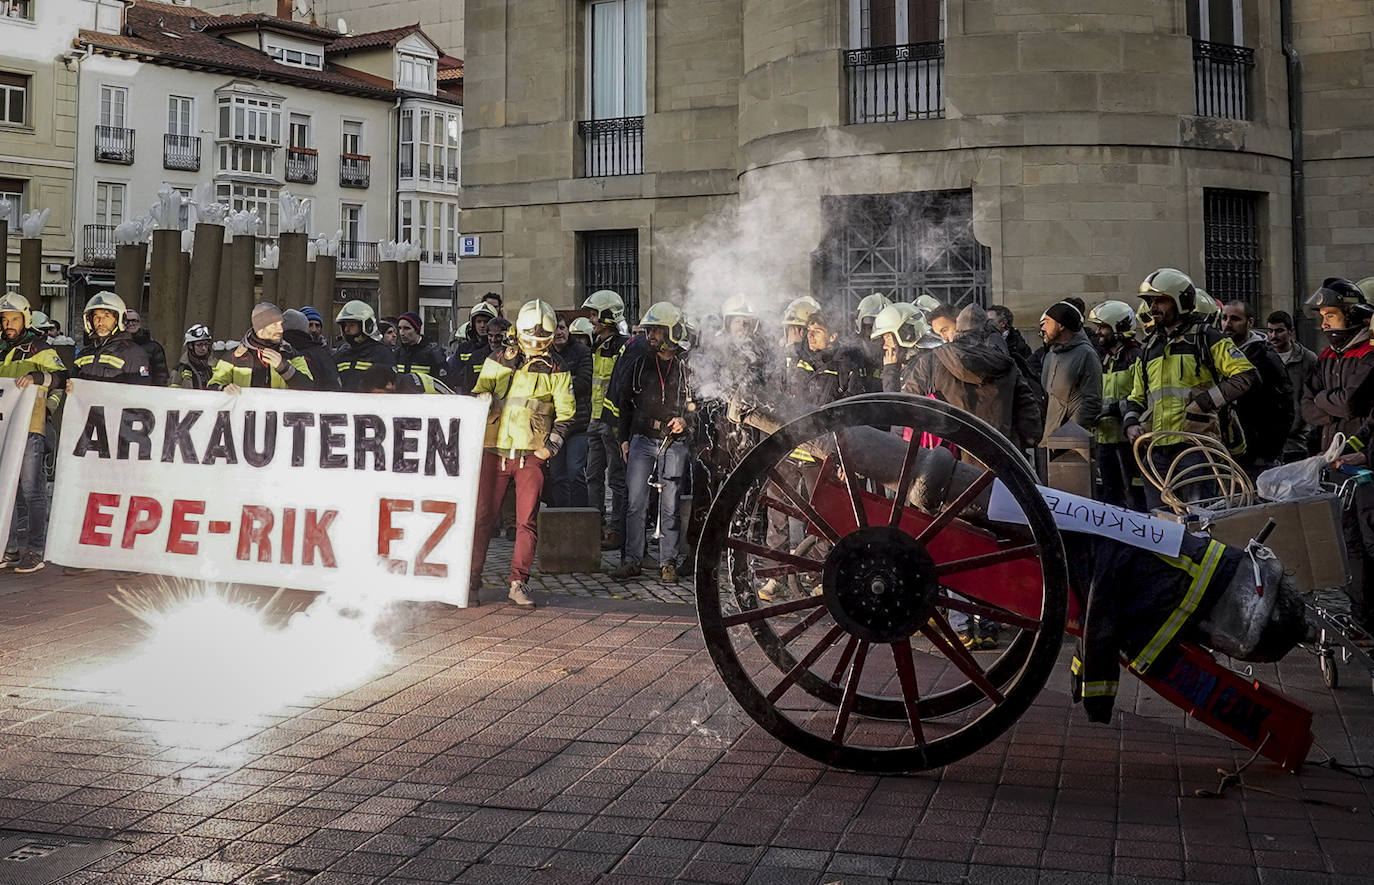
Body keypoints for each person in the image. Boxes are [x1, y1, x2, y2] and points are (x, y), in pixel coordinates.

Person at [469, 299, 575, 609]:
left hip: (530, 454)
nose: (538, 344)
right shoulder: (499, 357)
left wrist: (547, 450)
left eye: (544, 339)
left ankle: (518, 582)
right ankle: (471, 580)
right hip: (494, 450)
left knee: (525, 522)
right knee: (482, 519)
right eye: (533, 338)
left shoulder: (557, 367)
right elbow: (479, 390)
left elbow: (566, 413)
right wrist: (483, 396)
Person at [1123, 269, 1257, 508]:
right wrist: (1131, 423)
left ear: (1181, 301)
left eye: (1160, 301)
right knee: (1159, 520)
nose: (1153, 308)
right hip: (1156, 450)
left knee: (1198, 518)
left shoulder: (1207, 337)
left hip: (1196, 447)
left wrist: (1205, 402)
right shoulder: (1150, 347)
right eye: (1150, 302)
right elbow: (1136, 396)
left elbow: (1246, 375)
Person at [611, 302, 694, 584]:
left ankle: (668, 562)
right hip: (642, 439)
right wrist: (624, 439)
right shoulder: (640, 361)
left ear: (671, 331)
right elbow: (624, 402)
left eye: (657, 330)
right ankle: (632, 560)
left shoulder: (686, 365)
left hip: (674, 441)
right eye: (649, 330)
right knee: (635, 503)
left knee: (670, 505)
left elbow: (698, 403)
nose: (651, 335)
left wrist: (686, 421)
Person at [907, 304, 1043, 450]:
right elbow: (1029, 418)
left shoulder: (932, 360)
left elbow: (907, 406)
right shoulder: (1007, 362)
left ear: (958, 325)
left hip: (951, 455)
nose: (944, 337)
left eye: (944, 330)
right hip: (1001, 452)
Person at [0, 292, 65, 574]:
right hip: (4, 427)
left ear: (25, 319)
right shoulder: (1, 348)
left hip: (30, 427)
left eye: (14, 319)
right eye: (4, 319)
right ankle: (10, 547)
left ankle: (35, 550)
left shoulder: (39, 348)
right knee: (6, 488)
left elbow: (62, 377)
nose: (8, 324)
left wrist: (39, 378)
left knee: (31, 490)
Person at [1220, 300, 1294, 475]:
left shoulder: (1266, 359)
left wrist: (1266, 453)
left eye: (1235, 319)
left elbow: (1284, 411)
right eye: (1224, 318)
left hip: (1257, 457)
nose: (1228, 324)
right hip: (1227, 452)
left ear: (1250, 322)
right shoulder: (1219, 354)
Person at [1300, 278, 1374, 452]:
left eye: (1330, 316)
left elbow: (1348, 404)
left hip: (1360, 454)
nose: (1324, 324)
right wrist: (1334, 409)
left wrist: (1320, 399)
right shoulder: (1327, 355)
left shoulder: (1369, 354)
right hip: (1329, 454)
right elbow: (1307, 408)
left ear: (1352, 315)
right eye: (1323, 317)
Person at [582, 289, 630, 551]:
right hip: (595, 420)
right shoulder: (596, 346)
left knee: (616, 479)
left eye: (594, 314)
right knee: (592, 475)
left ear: (608, 316)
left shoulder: (622, 347)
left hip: (612, 422)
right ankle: (594, 527)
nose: (591, 319)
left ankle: (616, 530)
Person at [1086, 301, 1145, 509]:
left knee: (1136, 495)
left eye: (1103, 327)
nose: (1098, 332)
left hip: (1128, 440)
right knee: (1110, 495)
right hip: (1105, 438)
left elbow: (1142, 398)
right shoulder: (1104, 359)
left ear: (1119, 327)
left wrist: (1111, 409)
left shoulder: (1136, 357)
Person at [208, 303, 314, 391]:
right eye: (275, 325)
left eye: (281, 324)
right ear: (261, 327)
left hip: (278, 410)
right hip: (245, 410)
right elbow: (212, 386)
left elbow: (309, 387)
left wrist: (284, 367)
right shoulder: (234, 356)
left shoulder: (290, 353)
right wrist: (224, 388)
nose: (281, 330)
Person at [1038, 301, 1103, 443]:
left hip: (1072, 443)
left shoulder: (1086, 354)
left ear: (1061, 326)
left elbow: (1093, 401)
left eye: (1047, 322)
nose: (1043, 327)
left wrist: (1067, 435)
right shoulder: (1050, 355)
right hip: (1049, 441)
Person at [548, 316, 592, 507]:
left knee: (575, 471)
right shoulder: (546, 354)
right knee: (556, 475)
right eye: (554, 329)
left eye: (562, 328)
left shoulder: (581, 351)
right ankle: (561, 515)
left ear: (568, 330)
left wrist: (556, 384)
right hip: (554, 425)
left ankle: (581, 515)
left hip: (577, 424)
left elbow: (583, 382)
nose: (559, 332)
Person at [1266, 310, 1319, 461]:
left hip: (1297, 442)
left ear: (1291, 332)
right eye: (1270, 331)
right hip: (1267, 441)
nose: (1274, 336)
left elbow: (1314, 397)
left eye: (1279, 331)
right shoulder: (1262, 357)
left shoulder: (1308, 359)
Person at [71, 291, 151, 384]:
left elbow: (140, 388)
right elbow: (73, 383)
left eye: (106, 316)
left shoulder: (133, 353)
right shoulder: (84, 353)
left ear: (118, 319)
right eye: (96, 317)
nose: (100, 321)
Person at [333, 300, 397, 392]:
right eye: (345, 325)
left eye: (351, 325)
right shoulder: (341, 354)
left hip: (371, 401)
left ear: (367, 325)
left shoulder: (382, 354)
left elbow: (390, 388)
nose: (346, 329)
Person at [446, 302, 499, 394]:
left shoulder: (496, 348)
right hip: (468, 396)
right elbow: (454, 377)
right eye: (479, 321)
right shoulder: (464, 348)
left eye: (486, 321)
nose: (482, 325)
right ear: (473, 324)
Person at [282, 309, 340, 390]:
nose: (314, 329)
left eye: (317, 325)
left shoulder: (322, 353)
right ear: (304, 326)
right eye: (310, 325)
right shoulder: (320, 354)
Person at [854, 292, 892, 392]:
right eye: (870, 327)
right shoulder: (849, 358)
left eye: (882, 328)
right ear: (861, 327)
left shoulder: (897, 360)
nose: (876, 334)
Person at [122, 309, 170, 387]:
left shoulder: (153, 347)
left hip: (145, 389)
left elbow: (161, 375)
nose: (131, 324)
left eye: (134, 321)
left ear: (139, 323)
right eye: (127, 321)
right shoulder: (115, 345)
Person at [393, 311, 447, 378]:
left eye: (407, 328)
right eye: (399, 328)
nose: (402, 333)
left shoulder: (433, 353)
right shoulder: (398, 353)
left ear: (417, 330)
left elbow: (443, 380)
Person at [170, 323, 215, 389]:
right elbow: (173, 392)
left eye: (206, 344)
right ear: (190, 346)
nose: (204, 348)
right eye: (199, 345)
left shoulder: (216, 366)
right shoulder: (179, 370)